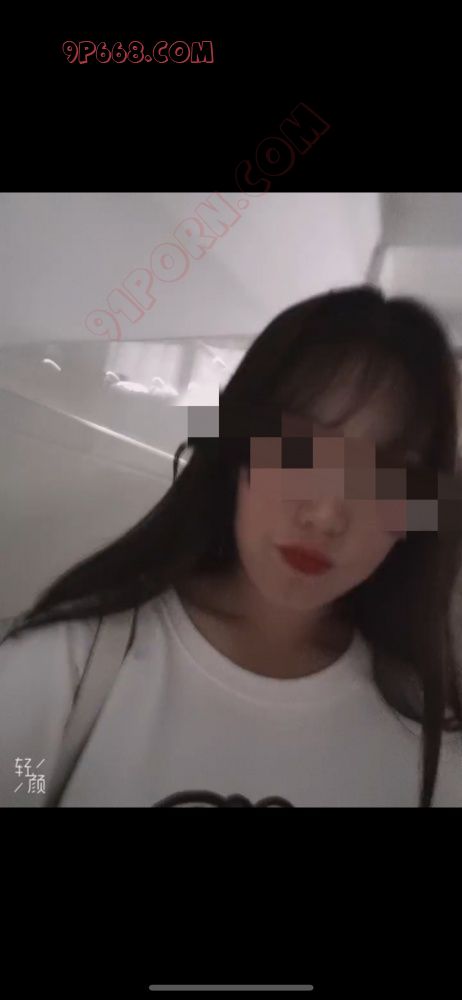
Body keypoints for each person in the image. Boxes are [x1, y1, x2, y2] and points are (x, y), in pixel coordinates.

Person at [1, 284, 462, 807]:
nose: (326, 514)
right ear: (236, 450)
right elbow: (19, 782)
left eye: (386, 477)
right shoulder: (69, 665)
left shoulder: (432, 745)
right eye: (297, 451)